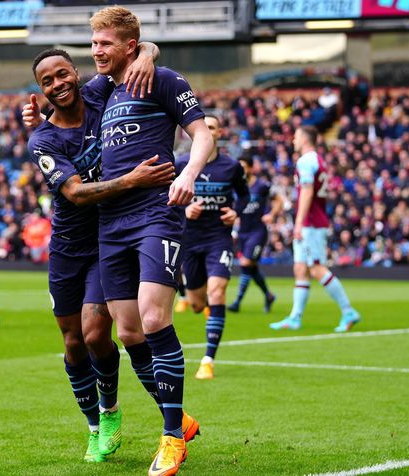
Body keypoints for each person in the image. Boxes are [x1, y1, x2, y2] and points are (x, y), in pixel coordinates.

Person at [27, 47, 184, 463]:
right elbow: (75, 194)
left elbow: (130, 50)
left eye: (62, 74)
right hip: (67, 246)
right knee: (73, 342)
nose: (58, 84)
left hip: (106, 238)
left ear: (75, 73)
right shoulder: (43, 138)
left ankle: (110, 413)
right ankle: (94, 425)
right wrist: (132, 180)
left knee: (98, 333)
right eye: (47, 81)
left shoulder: (100, 94)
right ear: (40, 90)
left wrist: (149, 53)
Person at [89, 7, 214, 475]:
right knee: (127, 331)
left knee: (155, 316)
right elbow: (61, 96)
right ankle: (178, 420)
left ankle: (169, 440)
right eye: (94, 43)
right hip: (110, 220)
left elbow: (200, 135)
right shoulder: (102, 90)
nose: (96, 52)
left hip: (155, 212)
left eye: (105, 44)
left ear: (128, 45)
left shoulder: (161, 79)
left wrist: (189, 173)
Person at [176, 116, 249, 381]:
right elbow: (165, 197)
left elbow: (245, 195)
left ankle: (208, 360)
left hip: (218, 238)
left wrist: (236, 212)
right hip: (190, 240)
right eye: (202, 126)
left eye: (212, 127)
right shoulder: (181, 164)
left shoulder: (230, 166)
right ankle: (205, 308)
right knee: (196, 304)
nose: (207, 131)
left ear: (219, 133)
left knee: (217, 292)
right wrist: (185, 209)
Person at [270, 126, 361, 332]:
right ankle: (295, 317)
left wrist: (299, 223)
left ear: (304, 138)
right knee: (300, 269)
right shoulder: (318, 160)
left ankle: (348, 311)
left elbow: (307, 193)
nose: (293, 139)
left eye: (296, 135)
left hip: (311, 223)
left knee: (317, 268)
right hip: (314, 221)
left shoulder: (306, 161)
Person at [228, 152, 281, 313]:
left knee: (246, 263)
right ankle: (268, 295)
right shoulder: (235, 186)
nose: (241, 170)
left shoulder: (262, 186)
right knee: (251, 267)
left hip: (257, 231)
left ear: (251, 168)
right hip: (242, 231)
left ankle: (237, 302)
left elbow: (278, 199)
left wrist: (271, 214)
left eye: (244, 167)